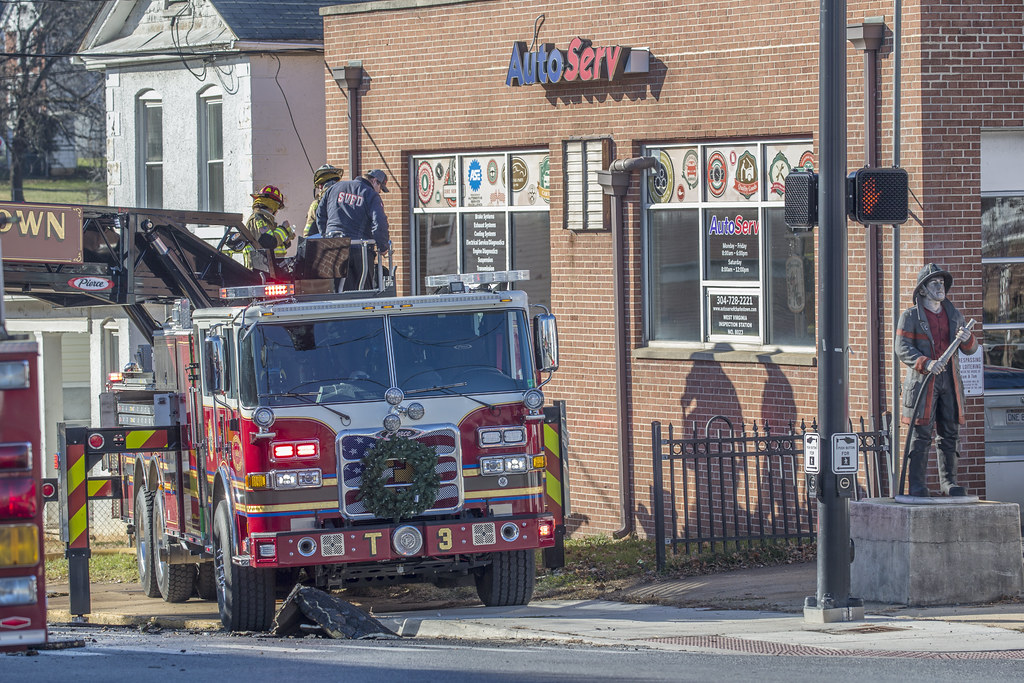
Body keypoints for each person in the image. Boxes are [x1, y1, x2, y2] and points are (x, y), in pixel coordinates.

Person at [896, 263, 979, 497]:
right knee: (921, 434)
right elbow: (902, 348)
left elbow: (971, 349)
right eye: (934, 282)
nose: (940, 286)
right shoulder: (910, 317)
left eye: (942, 282)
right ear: (922, 289)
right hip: (924, 383)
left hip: (950, 382)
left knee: (950, 432)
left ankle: (949, 483)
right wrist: (926, 363)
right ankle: (917, 485)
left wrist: (967, 338)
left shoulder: (954, 315)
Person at [314, 168, 391, 291]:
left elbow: (320, 214)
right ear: (374, 181)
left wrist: (326, 237)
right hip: (359, 250)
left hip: (333, 249)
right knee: (363, 292)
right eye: (380, 187)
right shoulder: (370, 194)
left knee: (337, 292)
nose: (379, 191)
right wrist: (383, 246)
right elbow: (380, 222)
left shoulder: (335, 188)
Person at [227, 184, 294, 267]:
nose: (277, 211)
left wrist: (286, 239)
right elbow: (268, 243)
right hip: (261, 269)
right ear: (273, 205)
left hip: (272, 267)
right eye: (277, 207)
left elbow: (275, 246)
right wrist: (283, 229)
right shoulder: (258, 219)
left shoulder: (267, 220)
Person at [303, 164, 343, 238]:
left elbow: (308, 233)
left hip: (324, 242)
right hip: (346, 241)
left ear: (320, 186)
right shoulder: (346, 199)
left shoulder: (317, 204)